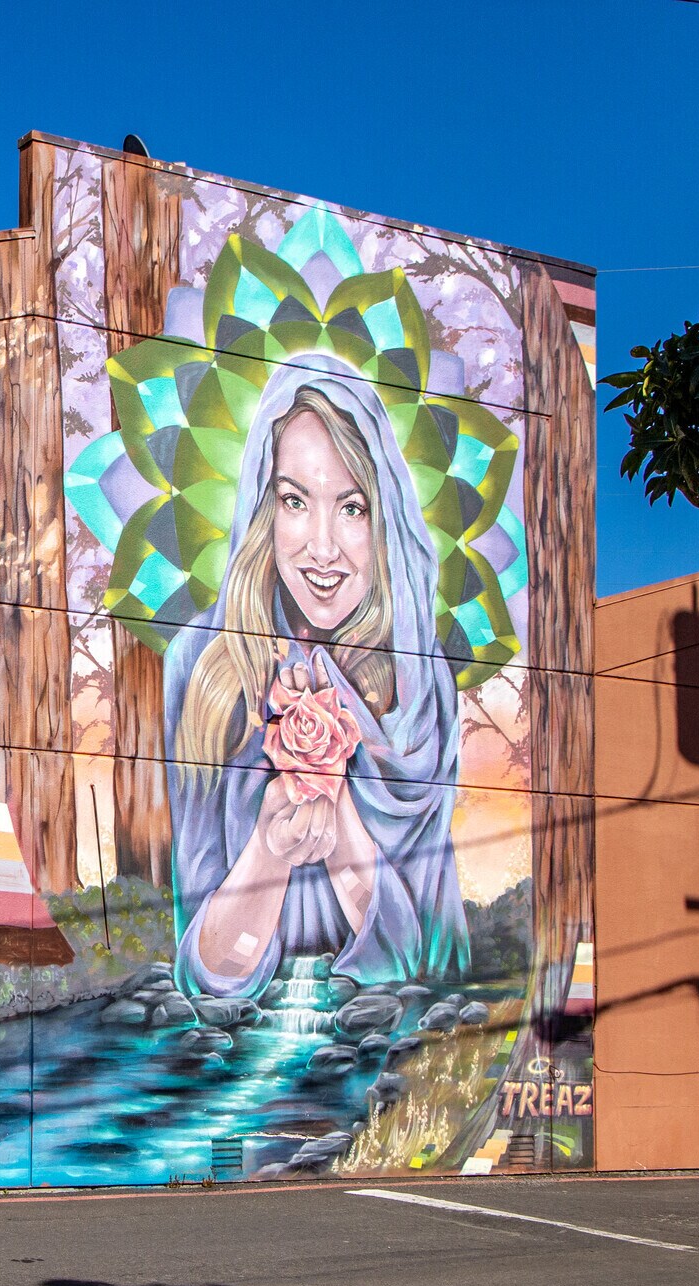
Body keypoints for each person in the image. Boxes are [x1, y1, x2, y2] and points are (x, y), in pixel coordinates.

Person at [166, 358, 470, 1000]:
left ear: (385, 519)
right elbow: (202, 973)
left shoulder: (423, 690)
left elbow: (422, 967)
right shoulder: (205, 668)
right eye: (295, 501)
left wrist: (341, 835)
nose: (322, 548)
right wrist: (269, 854)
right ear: (261, 507)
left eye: (353, 507)